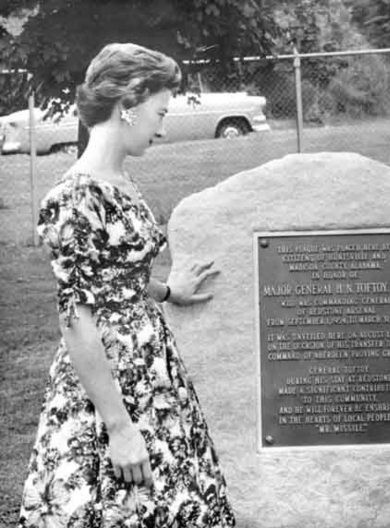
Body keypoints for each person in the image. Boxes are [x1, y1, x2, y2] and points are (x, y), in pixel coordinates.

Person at [18, 43, 235, 527]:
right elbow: (76, 319)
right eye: (159, 111)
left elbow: (117, 277)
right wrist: (118, 428)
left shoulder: (120, 179)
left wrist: (166, 290)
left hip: (154, 369)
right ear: (128, 104)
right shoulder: (73, 198)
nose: (162, 125)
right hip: (110, 381)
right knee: (117, 505)